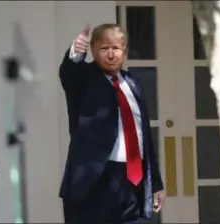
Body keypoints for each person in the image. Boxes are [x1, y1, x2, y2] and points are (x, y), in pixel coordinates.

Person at [58, 23, 165, 223]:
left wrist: (156, 183)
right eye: (104, 48)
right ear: (93, 50)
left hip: (134, 182)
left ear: (124, 50)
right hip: (95, 184)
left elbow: (144, 137)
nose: (110, 54)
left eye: (115, 48)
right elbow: (69, 74)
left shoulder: (134, 83)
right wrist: (75, 53)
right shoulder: (84, 78)